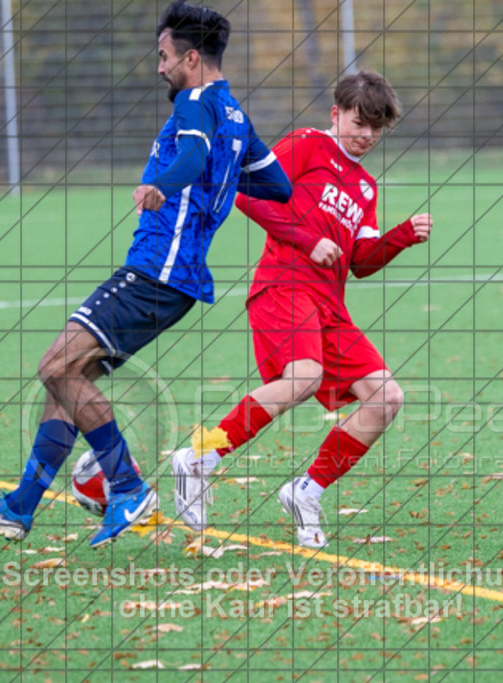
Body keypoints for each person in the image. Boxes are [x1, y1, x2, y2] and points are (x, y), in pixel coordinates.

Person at [0, 0, 291, 548]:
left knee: (56, 367)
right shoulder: (235, 117)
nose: (159, 67)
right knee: (68, 382)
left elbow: (190, 154)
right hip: (173, 279)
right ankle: (20, 507)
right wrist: (220, 178)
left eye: (163, 57)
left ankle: (129, 488)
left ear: (189, 58)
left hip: (155, 272)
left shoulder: (195, 104)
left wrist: (169, 183)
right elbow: (276, 185)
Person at [171, 68, 433, 548]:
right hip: (284, 285)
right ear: (337, 113)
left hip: (331, 307)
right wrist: (306, 240)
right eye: (360, 123)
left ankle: (306, 492)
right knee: (303, 376)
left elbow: (361, 262)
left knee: (386, 398)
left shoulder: (366, 188)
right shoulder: (307, 145)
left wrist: (401, 237)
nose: (368, 136)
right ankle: (200, 456)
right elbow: (243, 191)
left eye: (377, 128)